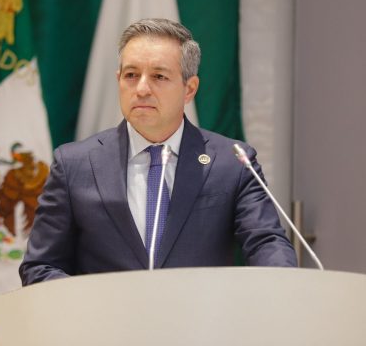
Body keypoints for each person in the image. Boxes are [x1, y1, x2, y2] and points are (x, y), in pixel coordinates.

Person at [19, 18, 297, 285]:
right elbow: (41, 266)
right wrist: (92, 304)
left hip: (199, 317)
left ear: (189, 89)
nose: (141, 89)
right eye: (131, 75)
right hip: (105, 318)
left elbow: (266, 243)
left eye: (159, 76)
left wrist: (286, 286)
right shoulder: (74, 164)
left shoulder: (232, 163)